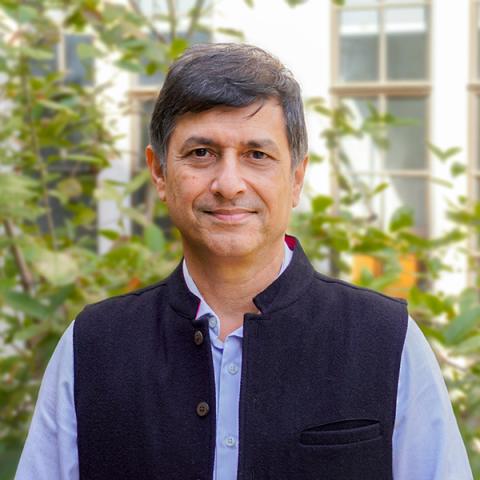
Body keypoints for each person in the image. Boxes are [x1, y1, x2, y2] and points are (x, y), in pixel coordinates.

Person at [16, 43, 472, 480]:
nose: (229, 184)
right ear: (159, 172)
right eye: (201, 153)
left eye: (257, 155)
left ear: (296, 177)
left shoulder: (386, 340)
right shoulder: (92, 347)